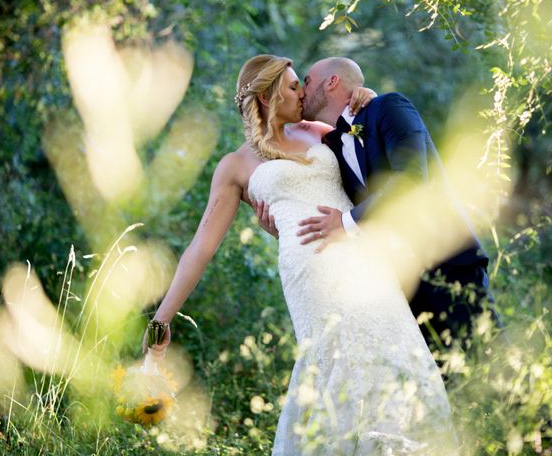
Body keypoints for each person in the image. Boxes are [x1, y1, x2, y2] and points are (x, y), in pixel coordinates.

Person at [144, 55, 457, 455]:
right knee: (336, 360)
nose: (302, 92)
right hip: (308, 271)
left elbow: (368, 159)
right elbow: (201, 247)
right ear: (267, 95)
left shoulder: (321, 132)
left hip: (363, 259)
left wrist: (366, 96)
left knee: (391, 346)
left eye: (302, 83)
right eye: (294, 86)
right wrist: (161, 320)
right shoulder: (235, 166)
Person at [272, 56, 501, 351]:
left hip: (448, 267)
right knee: (442, 385)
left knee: (493, 364)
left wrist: (344, 222)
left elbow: (411, 179)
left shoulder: (388, 107)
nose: (303, 91)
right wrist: (280, 221)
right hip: (398, 287)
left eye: (307, 81)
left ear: (332, 82)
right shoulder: (330, 149)